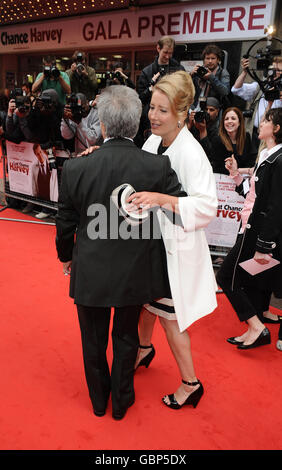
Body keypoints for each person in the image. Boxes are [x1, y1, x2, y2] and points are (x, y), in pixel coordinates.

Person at [55, 85, 186, 420]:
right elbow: (181, 207)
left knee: (93, 340)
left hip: (91, 268)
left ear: (103, 126)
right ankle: (121, 401)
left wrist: (65, 257)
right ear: (137, 121)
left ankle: (99, 401)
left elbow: (66, 221)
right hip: (135, 269)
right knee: (127, 337)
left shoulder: (76, 168)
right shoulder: (157, 166)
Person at [129, 71, 218, 410]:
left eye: (162, 110)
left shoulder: (192, 154)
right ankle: (143, 348)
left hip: (175, 250)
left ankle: (190, 383)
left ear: (181, 113)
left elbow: (207, 206)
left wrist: (161, 199)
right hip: (152, 242)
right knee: (146, 302)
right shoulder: (152, 141)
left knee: (170, 316)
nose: (153, 115)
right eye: (152, 107)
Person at [216, 108, 282, 350]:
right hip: (248, 228)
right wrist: (235, 175)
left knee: (226, 277)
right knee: (248, 281)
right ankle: (254, 328)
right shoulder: (266, 155)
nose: (260, 123)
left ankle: (257, 327)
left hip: (257, 234)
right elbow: (253, 196)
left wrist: (264, 245)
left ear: (276, 129)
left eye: (266, 120)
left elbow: (276, 207)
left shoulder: (278, 159)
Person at [136, 36, 185, 147]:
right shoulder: (147, 71)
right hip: (152, 119)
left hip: (173, 116)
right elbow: (140, 99)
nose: (168, 56)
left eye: (170, 53)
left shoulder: (179, 69)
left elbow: (184, 92)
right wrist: (150, 88)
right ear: (158, 48)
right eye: (165, 52)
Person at [231, 57, 282, 148]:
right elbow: (236, 89)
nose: (274, 73)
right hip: (255, 134)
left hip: (277, 137)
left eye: (278, 70)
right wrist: (245, 71)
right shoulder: (260, 87)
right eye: (272, 70)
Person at [210, 107, 257, 174]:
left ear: (239, 122)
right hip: (225, 180)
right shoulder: (217, 140)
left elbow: (251, 161)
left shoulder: (246, 137)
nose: (229, 121)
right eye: (226, 119)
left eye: (233, 118)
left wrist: (238, 170)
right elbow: (217, 167)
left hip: (243, 178)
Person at [191, 44, 230, 111]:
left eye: (213, 58)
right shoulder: (199, 71)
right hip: (196, 108)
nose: (210, 61)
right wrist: (191, 75)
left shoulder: (222, 72)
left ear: (218, 60)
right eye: (207, 58)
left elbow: (225, 91)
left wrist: (211, 77)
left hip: (212, 110)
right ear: (203, 60)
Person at [188, 96, 221, 161]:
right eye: (206, 109)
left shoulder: (219, 129)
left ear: (217, 112)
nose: (208, 112)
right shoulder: (197, 121)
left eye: (211, 110)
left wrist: (202, 132)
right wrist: (189, 124)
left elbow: (211, 155)